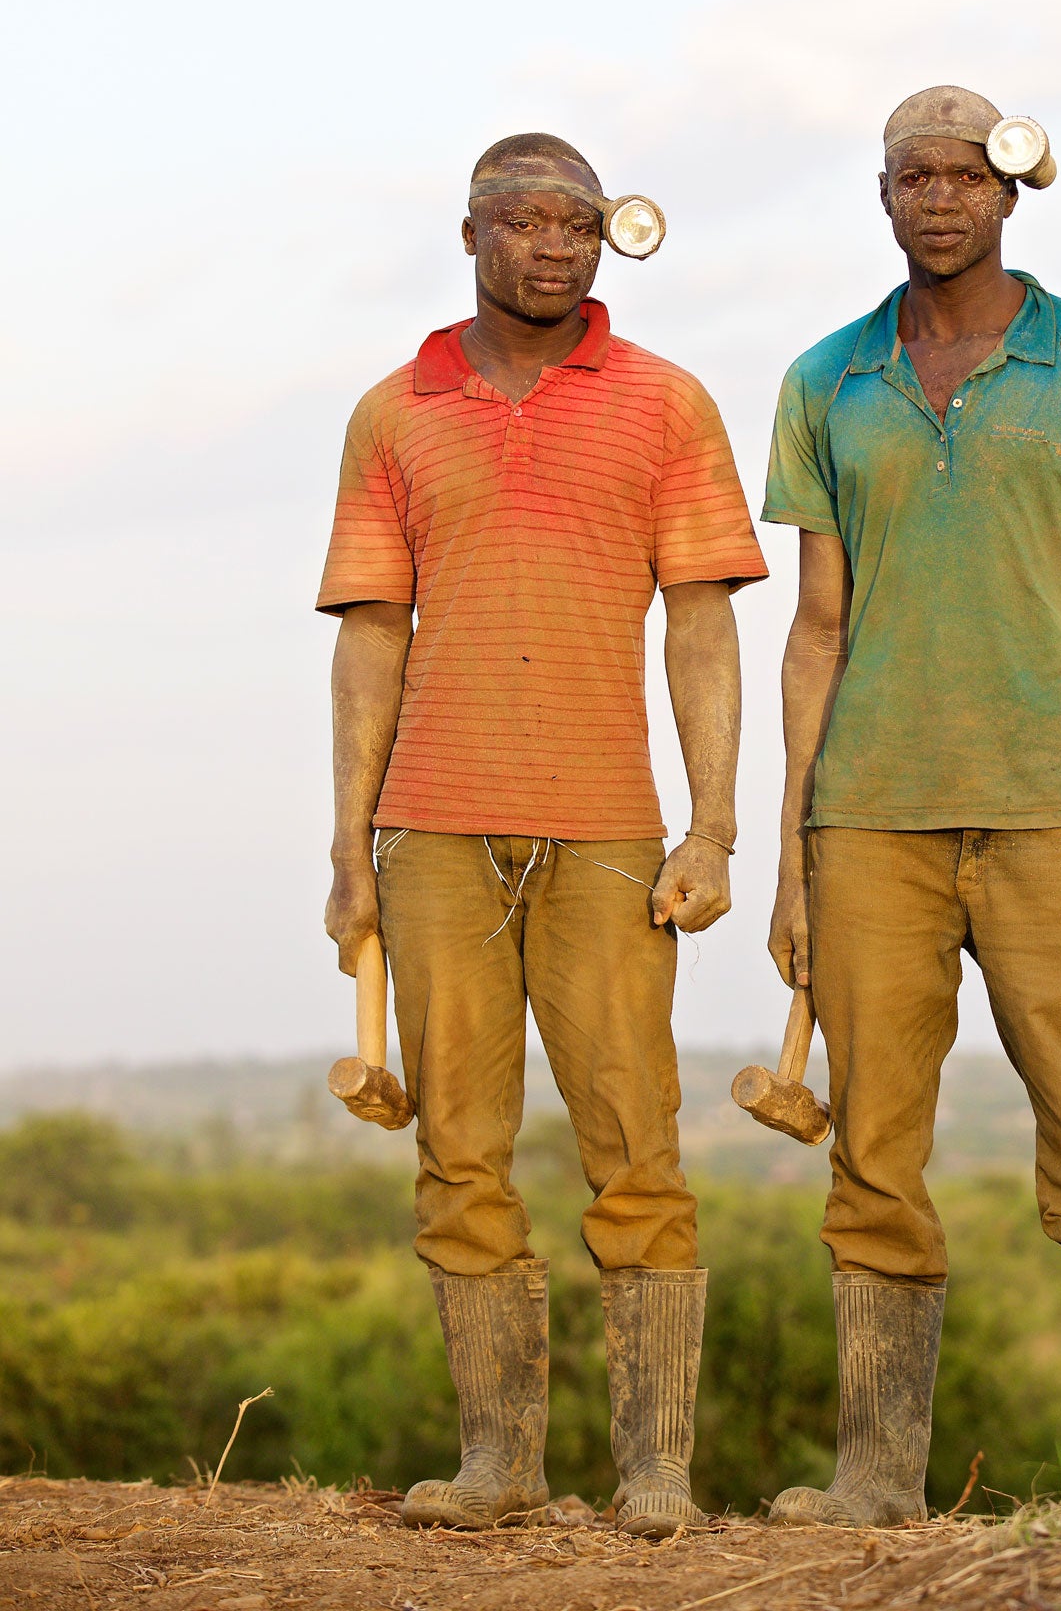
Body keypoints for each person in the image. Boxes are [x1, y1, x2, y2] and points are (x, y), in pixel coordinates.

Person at [761, 86, 1061, 1525]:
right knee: (872, 1145)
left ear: (1012, 194)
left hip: (1053, 817)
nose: (942, 197)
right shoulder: (826, 380)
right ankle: (877, 1480)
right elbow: (817, 627)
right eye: (915, 176)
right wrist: (790, 853)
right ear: (880, 195)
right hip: (869, 822)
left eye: (969, 175)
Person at [317, 133, 767, 1534]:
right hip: (434, 831)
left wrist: (714, 828)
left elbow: (703, 622)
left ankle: (657, 1471)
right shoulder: (394, 413)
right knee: (458, 1147)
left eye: (580, 223)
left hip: (611, 833)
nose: (557, 245)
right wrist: (350, 847)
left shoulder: (668, 403)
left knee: (637, 1142)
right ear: (470, 238)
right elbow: (370, 641)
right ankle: (499, 1464)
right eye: (526, 222)